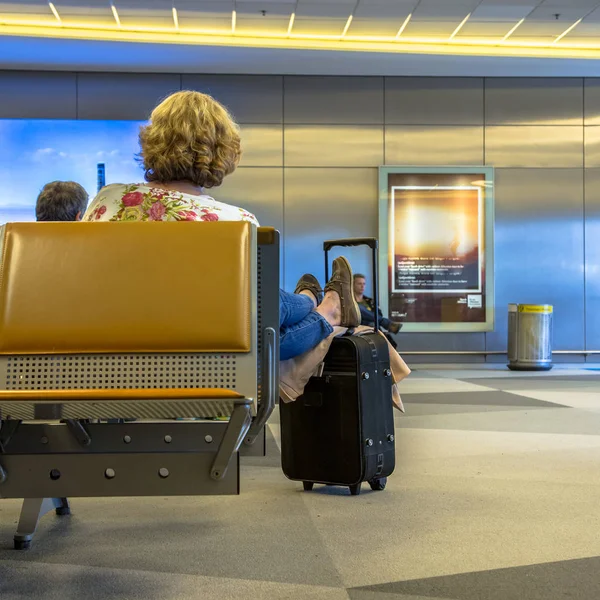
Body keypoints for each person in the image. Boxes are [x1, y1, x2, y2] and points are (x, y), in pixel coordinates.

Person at [83, 90, 360, 361]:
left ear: (151, 142)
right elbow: (255, 318)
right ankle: (321, 307)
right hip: (207, 369)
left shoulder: (110, 199)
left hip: (107, 360)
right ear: (222, 152)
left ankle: (314, 301)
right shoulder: (237, 223)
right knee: (267, 316)